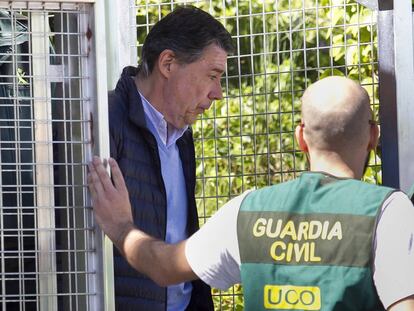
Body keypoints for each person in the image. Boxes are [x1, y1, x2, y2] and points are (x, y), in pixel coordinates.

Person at [90, 76, 414, 310]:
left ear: (301, 137)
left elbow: (162, 266)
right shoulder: (388, 211)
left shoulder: (247, 211)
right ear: (372, 135)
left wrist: (121, 227)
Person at [107, 5, 233, 311]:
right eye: (212, 76)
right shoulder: (106, 121)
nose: (218, 93)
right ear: (168, 63)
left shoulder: (182, 134)